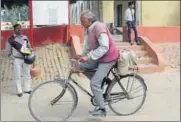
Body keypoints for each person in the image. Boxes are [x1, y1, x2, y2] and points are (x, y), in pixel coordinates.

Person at [76, 10, 119, 117]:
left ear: (90, 21)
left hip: (108, 58)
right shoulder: (89, 29)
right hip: (99, 57)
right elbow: (88, 45)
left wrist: (89, 56)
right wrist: (82, 55)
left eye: (83, 21)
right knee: (80, 66)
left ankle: (102, 109)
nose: (81, 23)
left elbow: (104, 47)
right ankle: (102, 82)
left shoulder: (99, 27)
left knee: (94, 83)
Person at [6, 24, 32, 97]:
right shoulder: (11, 39)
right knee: (18, 76)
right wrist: (13, 58)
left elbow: (29, 46)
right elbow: (8, 52)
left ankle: (27, 89)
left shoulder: (25, 37)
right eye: (18, 28)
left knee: (27, 74)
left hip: (26, 58)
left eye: (20, 28)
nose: (19, 29)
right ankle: (19, 91)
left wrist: (30, 51)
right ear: (14, 30)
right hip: (17, 59)